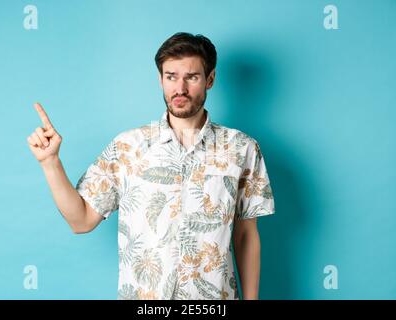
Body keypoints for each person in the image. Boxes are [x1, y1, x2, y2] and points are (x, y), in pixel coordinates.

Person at [27, 32, 275, 300]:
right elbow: (81, 220)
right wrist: (51, 163)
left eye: (191, 77)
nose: (180, 88)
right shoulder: (128, 147)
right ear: (160, 80)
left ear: (210, 79)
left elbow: (246, 236)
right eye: (171, 77)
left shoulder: (242, 149)